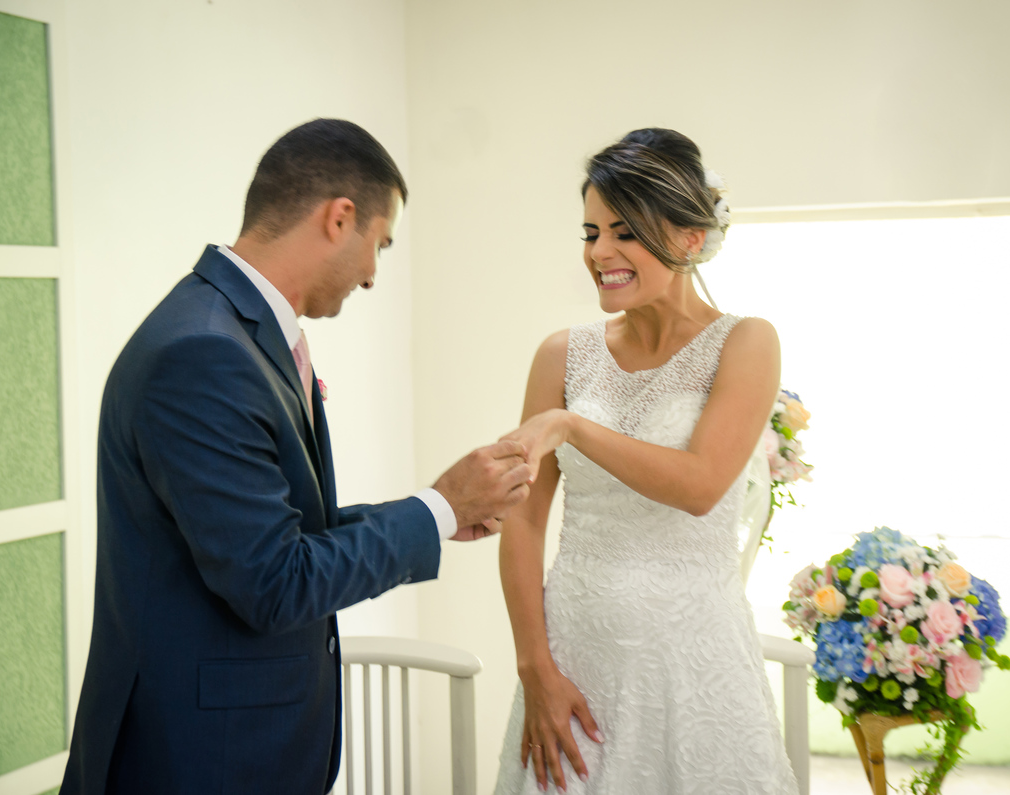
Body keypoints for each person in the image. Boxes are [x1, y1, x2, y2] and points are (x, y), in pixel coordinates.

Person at [60, 119, 532, 795]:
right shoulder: (205, 352)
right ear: (339, 218)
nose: (373, 275)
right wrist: (437, 509)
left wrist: (435, 514)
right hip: (201, 761)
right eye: (380, 244)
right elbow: (274, 582)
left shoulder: (227, 330)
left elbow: (268, 535)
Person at [492, 128, 799, 794]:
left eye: (624, 232)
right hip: (575, 657)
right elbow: (522, 521)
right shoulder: (559, 355)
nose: (599, 252)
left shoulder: (747, 343)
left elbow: (700, 485)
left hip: (696, 664)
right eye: (590, 232)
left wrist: (572, 426)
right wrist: (535, 668)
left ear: (691, 237)